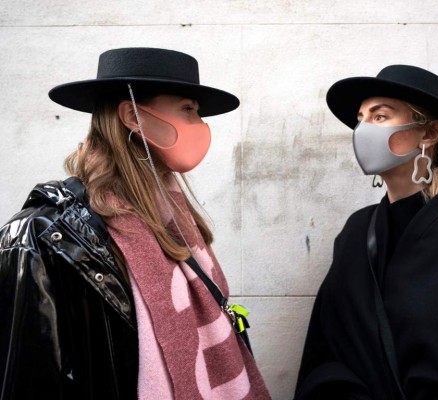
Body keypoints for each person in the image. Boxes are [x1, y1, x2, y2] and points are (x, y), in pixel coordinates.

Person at [0, 47, 271, 400]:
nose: (201, 125)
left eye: (199, 113)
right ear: (132, 115)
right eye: (188, 109)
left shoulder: (173, 223)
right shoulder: (44, 237)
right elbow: (26, 381)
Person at [294, 65, 438, 399]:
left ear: (429, 133)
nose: (362, 129)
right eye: (361, 118)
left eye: (380, 117)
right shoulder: (357, 233)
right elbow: (326, 349)